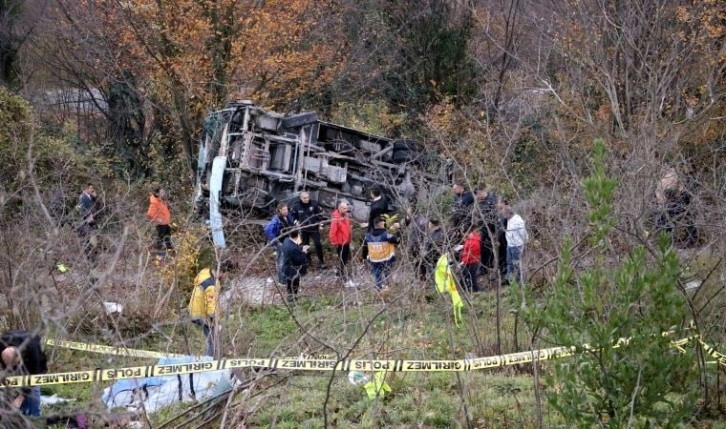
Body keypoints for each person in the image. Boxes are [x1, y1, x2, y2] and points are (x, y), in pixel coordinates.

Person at [1, 330, 49, 417]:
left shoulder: (32, 349)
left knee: (32, 391)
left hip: (33, 363)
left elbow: (34, 376)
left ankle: (34, 416)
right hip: (14, 344)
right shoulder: (1, 344)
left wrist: (19, 399)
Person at [189, 264, 231, 356]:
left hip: (195, 310)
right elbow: (211, 305)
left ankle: (210, 357)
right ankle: (210, 361)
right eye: (225, 274)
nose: (225, 277)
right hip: (202, 313)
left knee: (210, 336)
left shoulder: (206, 272)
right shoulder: (212, 285)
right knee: (212, 339)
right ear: (221, 272)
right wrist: (215, 320)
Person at [362, 216, 400, 292]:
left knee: (377, 275)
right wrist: (398, 230)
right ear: (381, 224)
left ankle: (379, 288)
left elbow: (365, 248)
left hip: (374, 259)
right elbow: (397, 240)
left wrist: (364, 257)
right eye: (383, 223)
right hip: (386, 259)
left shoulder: (367, 236)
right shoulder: (386, 235)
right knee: (387, 274)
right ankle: (388, 287)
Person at [291, 191, 326, 269]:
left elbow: (320, 215)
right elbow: (292, 216)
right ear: (301, 198)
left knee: (318, 244)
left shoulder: (314, 204)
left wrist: (321, 225)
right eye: (304, 198)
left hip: (314, 229)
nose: (306, 199)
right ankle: (308, 261)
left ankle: (322, 262)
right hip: (304, 229)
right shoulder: (296, 206)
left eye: (307, 197)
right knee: (305, 245)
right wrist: (296, 222)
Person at [474, 183, 498, 276]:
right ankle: (484, 266)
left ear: (483, 192)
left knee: (489, 248)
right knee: (483, 247)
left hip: (492, 228)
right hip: (483, 228)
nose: (478, 196)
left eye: (479, 194)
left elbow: (494, 215)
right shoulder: (480, 202)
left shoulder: (492, 199)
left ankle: (489, 266)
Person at [329, 200, 355, 287]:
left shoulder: (346, 216)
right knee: (342, 259)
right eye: (344, 208)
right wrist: (334, 242)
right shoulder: (336, 218)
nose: (345, 210)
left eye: (346, 208)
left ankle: (340, 272)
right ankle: (341, 275)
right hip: (340, 243)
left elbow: (347, 228)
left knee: (345, 259)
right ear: (339, 208)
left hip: (346, 241)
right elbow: (332, 232)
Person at [279, 229, 310, 303]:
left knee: (290, 284)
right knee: (294, 285)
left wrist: (300, 248)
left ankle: (290, 297)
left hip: (287, 268)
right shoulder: (293, 248)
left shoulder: (286, 241)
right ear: (298, 235)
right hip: (293, 270)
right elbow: (298, 260)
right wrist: (304, 252)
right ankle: (292, 300)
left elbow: (294, 249)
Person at [501, 205, 529, 284]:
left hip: (517, 246)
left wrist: (525, 242)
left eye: (504, 214)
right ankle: (509, 278)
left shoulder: (518, 221)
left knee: (516, 264)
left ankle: (518, 280)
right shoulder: (509, 219)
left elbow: (523, 233)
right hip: (510, 245)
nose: (503, 216)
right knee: (509, 262)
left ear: (508, 213)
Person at [146, 187, 172, 253]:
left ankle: (170, 250)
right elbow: (149, 214)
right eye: (162, 192)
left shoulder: (161, 201)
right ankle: (158, 253)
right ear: (157, 194)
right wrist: (158, 220)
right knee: (160, 239)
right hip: (160, 224)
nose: (164, 193)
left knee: (167, 237)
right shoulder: (154, 203)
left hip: (165, 223)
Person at [76, 183, 98, 261]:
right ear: (86, 189)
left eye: (92, 188)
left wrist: (95, 196)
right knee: (88, 239)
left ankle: (93, 256)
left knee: (93, 237)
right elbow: (81, 210)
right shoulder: (82, 197)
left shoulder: (90, 196)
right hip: (87, 221)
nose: (92, 190)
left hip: (92, 220)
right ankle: (90, 257)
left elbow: (95, 203)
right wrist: (88, 216)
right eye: (91, 188)